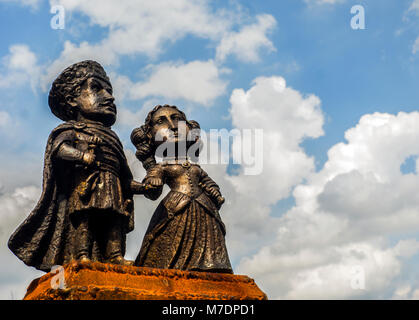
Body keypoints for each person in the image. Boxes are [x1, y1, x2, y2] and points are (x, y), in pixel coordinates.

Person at [8, 60, 145, 271]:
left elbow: (125, 177)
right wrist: (82, 156)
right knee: (85, 220)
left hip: (113, 189)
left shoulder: (113, 138)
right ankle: (82, 255)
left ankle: (115, 256)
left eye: (109, 91)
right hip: (85, 188)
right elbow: (59, 150)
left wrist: (142, 187)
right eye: (96, 88)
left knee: (114, 222)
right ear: (73, 100)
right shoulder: (72, 130)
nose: (110, 97)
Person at [130, 105, 233, 273]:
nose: (173, 126)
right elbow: (152, 191)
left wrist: (214, 191)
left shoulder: (195, 168)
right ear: (150, 138)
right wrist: (153, 180)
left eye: (177, 119)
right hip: (176, 210)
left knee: (209, 243)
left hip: (204, 208)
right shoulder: (163, 167)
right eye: (161, 121)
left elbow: (209, 183)